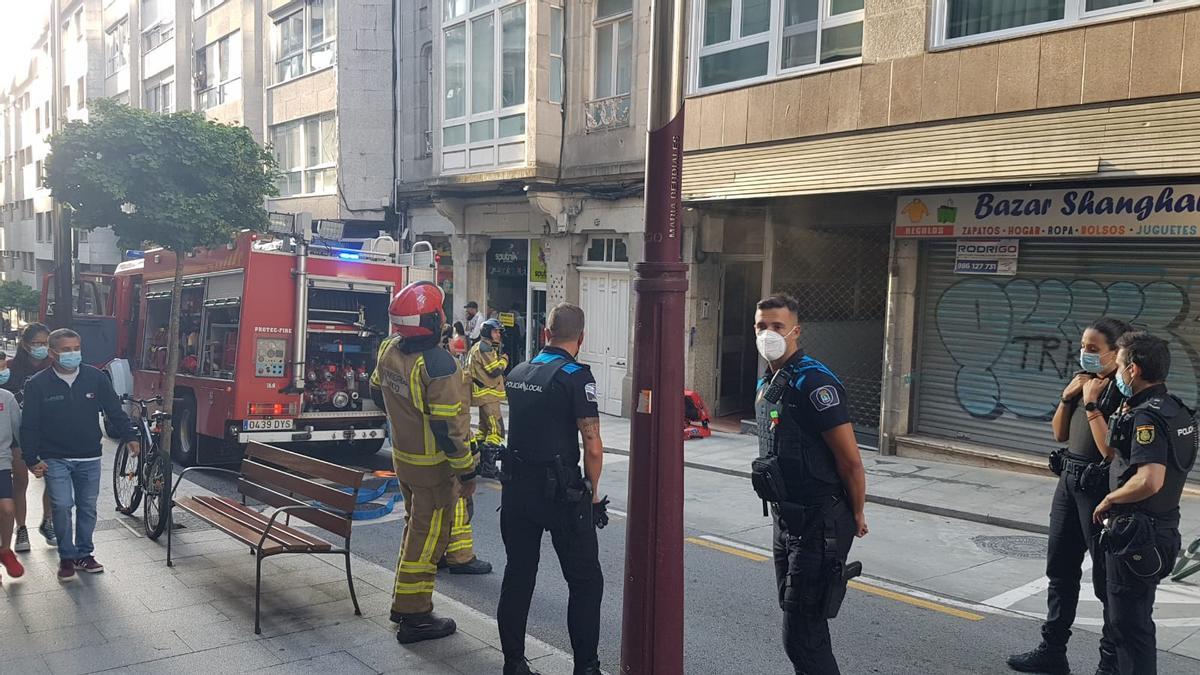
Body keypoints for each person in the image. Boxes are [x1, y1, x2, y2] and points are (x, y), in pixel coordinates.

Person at [751, 294, 868, 675]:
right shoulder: (769, 380)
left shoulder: (813, 381)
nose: (768, 333)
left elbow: (850, 460)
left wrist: (857, 511)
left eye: (777, 327)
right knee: (803, 625)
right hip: (787, 520)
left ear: (795, 331)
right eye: (761, 326)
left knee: (802, 635)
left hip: (820, 523)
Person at [1007, 318, 1131, 675]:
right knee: (1060, 571)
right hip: (1069, 481)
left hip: (1099, 489)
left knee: (1106, 582)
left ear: (1117, 353)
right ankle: (1052, 649)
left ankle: (1110, 664)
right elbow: (1060, 434)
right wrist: (1068, 396)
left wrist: (1093, 404)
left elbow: (1110, 452)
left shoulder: (1121, 392)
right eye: (1083, 347)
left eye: (1094, 349)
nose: (1085, 354)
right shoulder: (1081, 384)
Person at [370, 281, 484, 644]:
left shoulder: (389, 349)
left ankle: (406, 604)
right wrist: (467, 471)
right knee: (428, 540)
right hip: (434, 471)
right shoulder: (439, 366)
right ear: (432, 322)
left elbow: (376, 391)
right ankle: (414, 614)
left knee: (415, 530)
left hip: (404, 462)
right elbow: (449, 430)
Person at [496, 302, 606, 675]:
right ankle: (586, 668)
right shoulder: (576, 377)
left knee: (519, 574)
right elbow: (592, 446)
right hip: (561, 494)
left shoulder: (518, 372)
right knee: (586, 582)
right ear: (581, 337)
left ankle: (514, 662)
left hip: (516, 491)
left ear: (546, 332)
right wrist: (592, 493)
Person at [1092, 331, 1195, 675]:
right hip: (1161, 527)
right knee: (1135, 622)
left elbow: (1150, 480)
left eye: (1120, 365)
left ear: (1133, 369)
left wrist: (1110, 498)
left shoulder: (1147, 418)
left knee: (1130, 629)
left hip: (1138, 530)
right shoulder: (1175, 410)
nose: (1117, 372)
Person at [22, 329, 137, 581]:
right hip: (54, 458)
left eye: (76, 348)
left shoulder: (95, 378)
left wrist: (130, 436)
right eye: (65, 350)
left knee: (87, 508)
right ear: (53, 353)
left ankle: (85, 553)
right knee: (62, 506)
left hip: (89, 457)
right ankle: (66, 556)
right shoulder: (38, 384)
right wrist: (31, 459)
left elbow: (114, 410)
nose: (73, 353)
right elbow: (29, 425)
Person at [4, 322, 55, 552]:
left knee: (53, 478)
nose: (42, 347)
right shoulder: (12, 368)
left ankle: (48, 521)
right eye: (37, 343)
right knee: (21, 479)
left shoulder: (53, 367)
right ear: (25, 344)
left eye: (46, 343)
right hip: (17, 433)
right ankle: (21, 529)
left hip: (46, 431)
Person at [0, 352, 25, 583]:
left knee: (7, 509)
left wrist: (31, 457)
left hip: (1, 463)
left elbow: (18, 431)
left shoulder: (6, 398)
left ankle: (5, 550)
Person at [467, 318, 508, 459]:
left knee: (483, 430)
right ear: (487, 332)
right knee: (496, 430)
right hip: (488, 395)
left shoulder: (479, 346)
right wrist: (504, 360)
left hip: (482, 394)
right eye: (495, 331)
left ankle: (479, 459)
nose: (498, 335)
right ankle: (489, 464)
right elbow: (494, 370)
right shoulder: (484, 348)